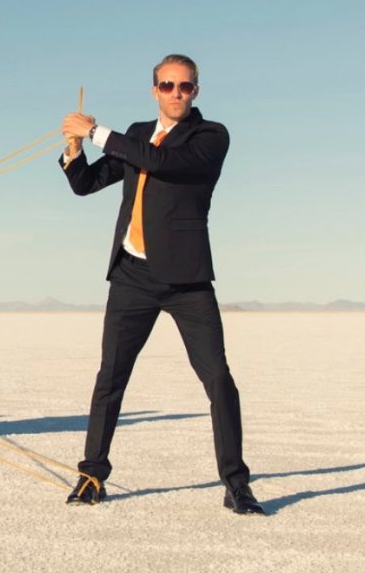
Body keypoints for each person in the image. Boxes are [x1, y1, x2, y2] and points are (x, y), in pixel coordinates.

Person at [59, 54, 263, 515]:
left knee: (218, 379)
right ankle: (92, 476)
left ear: (196, 91)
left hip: (187, 279)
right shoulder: (135, 134)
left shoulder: (211, 136)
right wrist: (75, 150)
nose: (176, 93)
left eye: (185, 86)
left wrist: (96, 132)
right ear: (154, 90)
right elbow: (88, 183)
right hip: (132, 276)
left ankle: (236, 484)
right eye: (168, 85)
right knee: (111, 377)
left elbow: (162, 161)